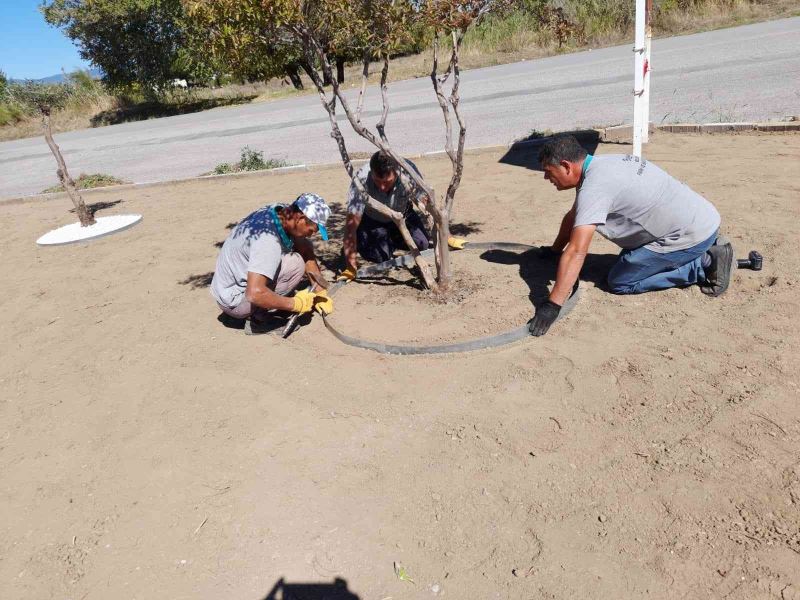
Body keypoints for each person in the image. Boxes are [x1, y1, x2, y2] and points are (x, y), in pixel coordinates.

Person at [529, 134, 734, 337]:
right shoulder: (603, 164)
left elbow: (576, 251)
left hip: (690, 236)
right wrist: (555, 251)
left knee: (620, 281)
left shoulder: (595, 187)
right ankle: (704, 253)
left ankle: (704, 264)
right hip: (703, 218)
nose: (547, 178)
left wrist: (552, 305)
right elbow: (574, 217)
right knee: (627, 260)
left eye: (548, 171)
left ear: (566, 166)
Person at [211, 193, 333, 322]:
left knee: (301, 247)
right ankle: (258, 317)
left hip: (227, 288)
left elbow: (305, 249)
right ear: (300, 218)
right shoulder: (268, 241)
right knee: (295, 264)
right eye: (311, 230)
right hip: (235, 302)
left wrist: (320, 291)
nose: (310, 235)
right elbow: (255, 293)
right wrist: (296, 304)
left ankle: (270, 303)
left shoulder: (282, 212)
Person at [338, 151, 431, 280]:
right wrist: (350, 267)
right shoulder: (361, 179)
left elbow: (427, 203)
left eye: (387, 182)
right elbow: (350, 226)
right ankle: (363, 238)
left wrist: (447, 236)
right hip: (373, 220)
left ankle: (391, 238)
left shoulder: (408, 171)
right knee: (380, 256)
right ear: (371, 172)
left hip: (403, 215)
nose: (382, 187)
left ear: (397, 173)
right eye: (377, 181)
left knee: (423, 244)